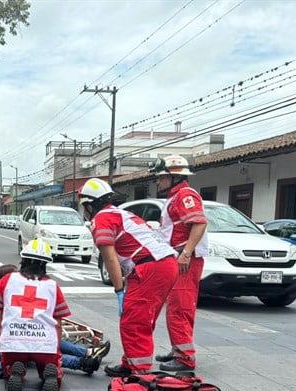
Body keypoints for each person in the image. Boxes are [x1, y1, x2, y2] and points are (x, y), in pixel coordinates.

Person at [79, 178, 178, 377]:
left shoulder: (102, 219)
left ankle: (138, 371)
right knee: (143, 318)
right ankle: (131, 361)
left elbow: (109, 258)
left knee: (133, 320)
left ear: (91, 204)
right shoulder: (122, 213)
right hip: (165, 264)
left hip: (150, 267)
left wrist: (118, 290)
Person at [0, 264, 109, 378]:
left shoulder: (8, 298)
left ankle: (88, 352)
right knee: (38, 351)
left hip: (12, 337)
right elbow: (0, 323)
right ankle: (82, 363)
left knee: (44, 340)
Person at [0, 239, 71, 391]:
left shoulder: (7, 280)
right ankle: (50, 372)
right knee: (51, 364)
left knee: (9, 363)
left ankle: (14, 370)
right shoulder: (53, 286)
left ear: (23, 259)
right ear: (46, 263)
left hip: (13, 342)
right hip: (44, 343)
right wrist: (56, 346)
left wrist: (4, 333)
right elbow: (58, 324)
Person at [152, 155, 208, 372]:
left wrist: (186, 253)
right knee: (175, 307)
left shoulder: (185, 195)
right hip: (178, 258)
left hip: (185, 261)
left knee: (180, 308)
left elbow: (199, 223)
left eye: (161, 177)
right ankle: (178, 349)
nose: (158, 182)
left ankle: (184, 358)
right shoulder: (176, 196)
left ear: (173, 177)